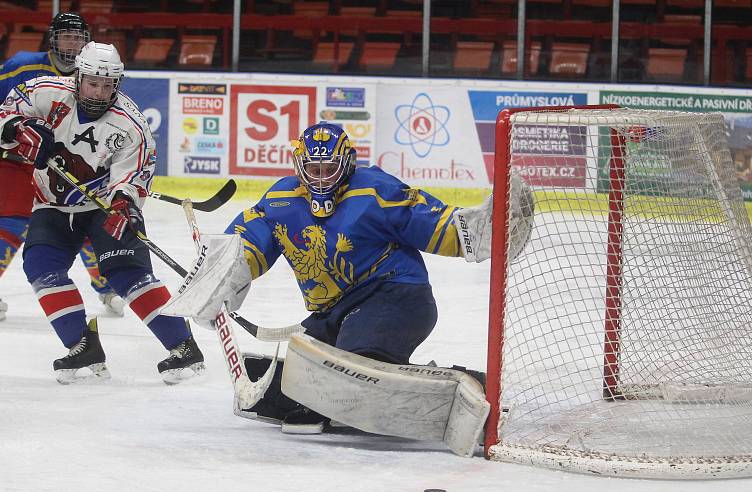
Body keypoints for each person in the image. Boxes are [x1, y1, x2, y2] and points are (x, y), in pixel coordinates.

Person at [168, 122, 534, 437]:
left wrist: (481, 230)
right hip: (332, 313)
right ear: (300, 165)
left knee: (355, 369)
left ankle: (471, 386)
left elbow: (430, 222)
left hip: (396, 298)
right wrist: (221, 276)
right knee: (297, 382)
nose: (322, 177)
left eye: (330, 168)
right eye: (314, 168)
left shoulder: (374, 190)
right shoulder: (280, 199)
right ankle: (337, 398)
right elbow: (248, 242)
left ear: (347, 163)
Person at [0, 41, 205, 385]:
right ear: (78, 77)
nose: (100, 91)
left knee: (125, 274)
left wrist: (125, 205)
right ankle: (83, 346)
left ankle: (183, 346)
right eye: (93, 82)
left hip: (102, 205)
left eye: (108, 85)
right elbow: (3, 119)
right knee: (41, 267)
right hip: (53, 204)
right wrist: (19, 129)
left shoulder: (130, 125)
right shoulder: (45, 92)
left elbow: (136, 175)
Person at [0, 12, 124, 321]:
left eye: (79, 37)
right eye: (67, 36)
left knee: (85, 223)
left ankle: (107, 286)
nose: (73, 43)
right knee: (14, 226)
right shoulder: (22, 64)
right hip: (18, 162)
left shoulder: (92, 77)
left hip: (64, 165)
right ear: (53, 39)